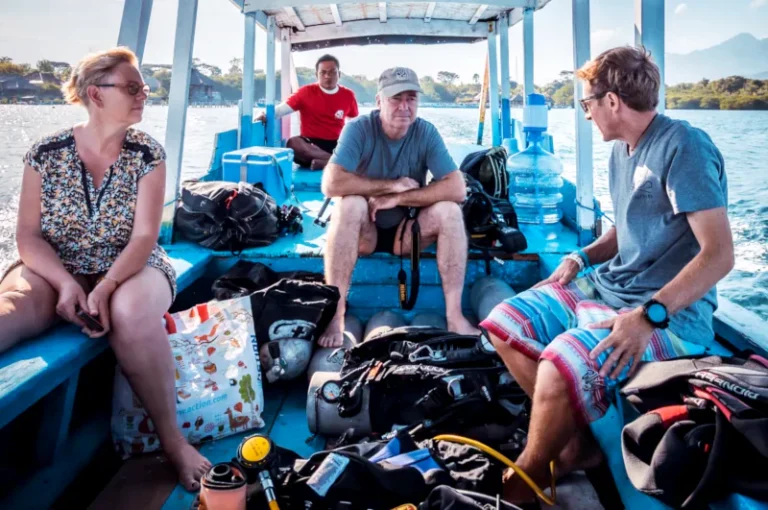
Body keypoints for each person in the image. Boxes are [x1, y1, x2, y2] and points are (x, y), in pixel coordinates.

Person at [479, 46, 735, 503]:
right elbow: (629, 225)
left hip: (671, 315)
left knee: (562, 361)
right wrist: (580, 258)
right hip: (608, 285)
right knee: (505, 321)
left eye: (587, 104)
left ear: (612, 101)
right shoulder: (622, 150)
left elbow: (719, 256)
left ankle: (525, 480)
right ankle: (575, 444)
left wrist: (648, 316)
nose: (587, 114)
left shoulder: (685, 147)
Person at [0, 47, 211, 491]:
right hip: (57, 263)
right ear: (96, 94)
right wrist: (62, 284)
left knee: (132, 315)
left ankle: (173, 442)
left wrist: (106, 286)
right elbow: (29, 236)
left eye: (145, 88)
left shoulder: (146, 153)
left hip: (131, 265)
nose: (143, 96)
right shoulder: (45, 153)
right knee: (14, 304)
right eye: (132, 88)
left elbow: (143, 238)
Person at [317, 67, 479, 348]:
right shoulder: (359, 129)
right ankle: (337, 313)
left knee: (450, 211)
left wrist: (399, 199)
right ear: (379, 101)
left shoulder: (425, 132)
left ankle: (454, 316)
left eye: (411, 98)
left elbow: (457, 188)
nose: (404, 106)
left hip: (407, 233)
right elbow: (331, 183)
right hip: (364, 232)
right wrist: (390, 186)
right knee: (349, 204)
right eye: (395, 98)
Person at [256, 54, 358, 170]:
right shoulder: (306, 92)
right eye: (323, 72)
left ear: (339, 74)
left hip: (337, 143)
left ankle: (327, 162)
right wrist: (264, 114)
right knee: (293, 144)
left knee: (360, 143)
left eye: (332, 72)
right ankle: (337, 162)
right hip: (310, 145)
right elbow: (281, 110)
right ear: (316, 75)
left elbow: (354, 123)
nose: (327, 76)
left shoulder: (348, 95)